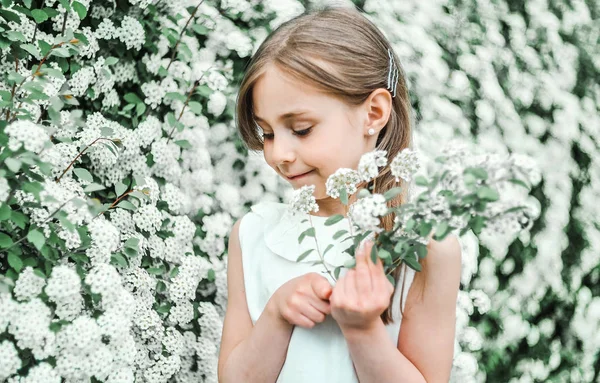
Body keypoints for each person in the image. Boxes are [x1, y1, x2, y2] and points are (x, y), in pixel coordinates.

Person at [218, 5, 462, 383]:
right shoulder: (253, 235)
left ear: (374, 113)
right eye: (266, 133)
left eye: (300, 129)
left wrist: (362, 330)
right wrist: (278, 313)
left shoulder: (424, 244)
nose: (278, 154)